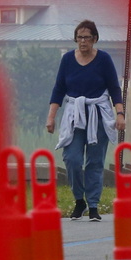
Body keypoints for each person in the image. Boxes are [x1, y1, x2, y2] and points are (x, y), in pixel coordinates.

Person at [46, 19, 125, 221]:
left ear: (95, 39)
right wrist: (51, 117)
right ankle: (79, 200)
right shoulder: (68, 60)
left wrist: (120, 113)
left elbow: (114, 88)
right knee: (71, 159)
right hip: (74, 115)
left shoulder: (104, 59)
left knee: (95, 161)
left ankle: (93, 205)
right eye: (79, 37)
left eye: (87, 37)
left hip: (98, 114)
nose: (83, 41)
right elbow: (59, 89)